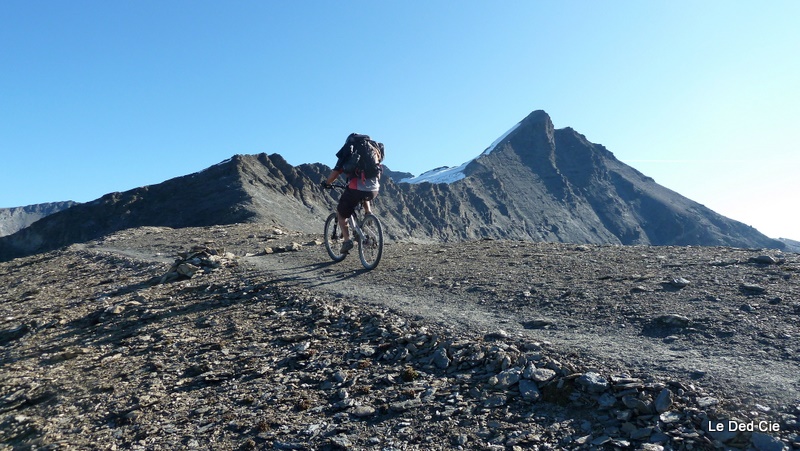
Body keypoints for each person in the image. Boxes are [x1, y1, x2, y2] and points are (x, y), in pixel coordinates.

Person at [322, 133, 382, 254]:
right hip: (374, 188)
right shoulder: (373, 150)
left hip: (356, 188)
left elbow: (335, 172)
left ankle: (347, 241)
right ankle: (368, 214)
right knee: (364, 194)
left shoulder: (349, 150)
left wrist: (327, 183)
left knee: (341, 213)